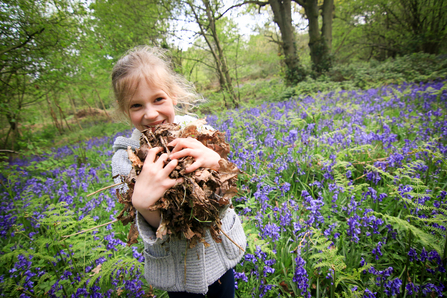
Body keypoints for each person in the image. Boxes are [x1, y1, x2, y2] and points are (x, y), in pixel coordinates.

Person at [110, 46, 246, 298]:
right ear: (124, 109)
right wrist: (143, 205)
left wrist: (216, 164)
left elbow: (225, 195)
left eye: (158, 99)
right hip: (176, 268)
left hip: (219, 253)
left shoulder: (198, 133)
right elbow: (162, 229)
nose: (150, 114)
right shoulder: (124, 160)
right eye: (137, 105)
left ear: (173, 95)